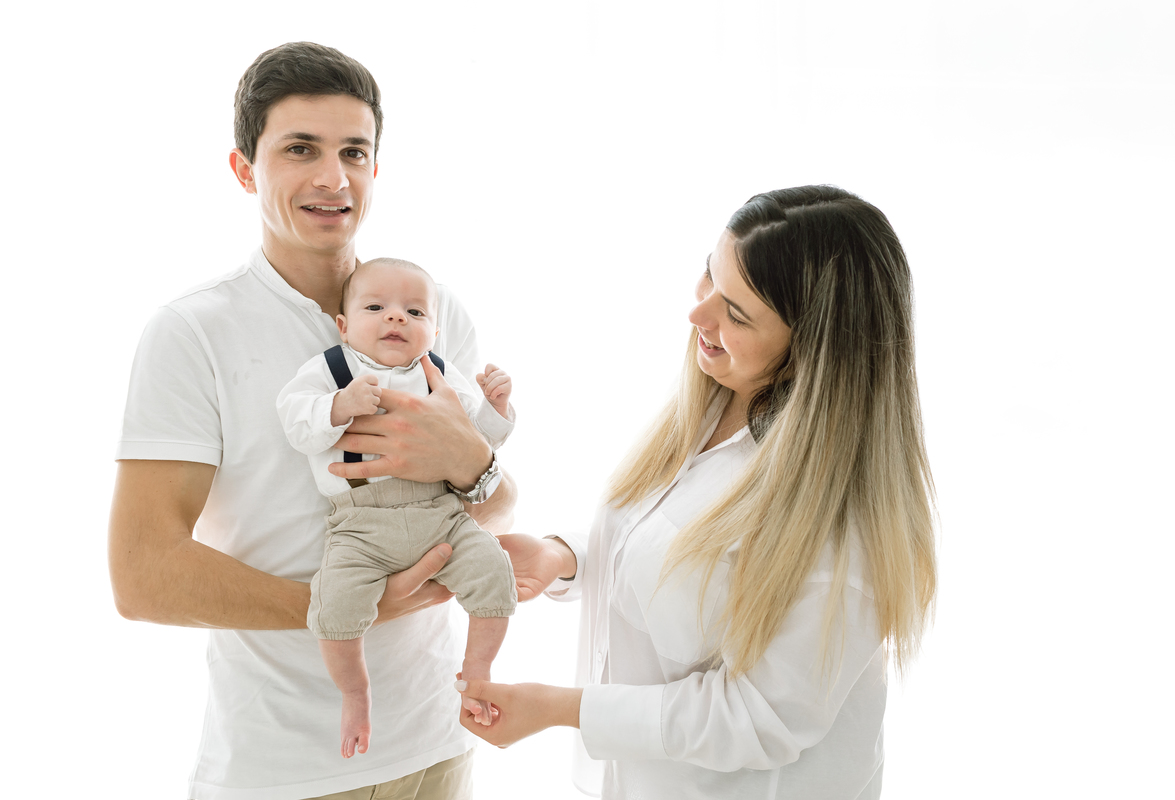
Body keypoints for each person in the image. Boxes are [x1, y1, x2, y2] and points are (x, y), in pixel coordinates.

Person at [108, 42, 515, 800]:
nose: (334, 178)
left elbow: (489, 504)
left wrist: (472, 464)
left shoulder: (429, 309)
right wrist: (345, 610)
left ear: (375, 168)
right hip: (282, 770)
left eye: (353, 152)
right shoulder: (194, 330)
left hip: (436, 741)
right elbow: (142, 575)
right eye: (301, 149)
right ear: (244, 169)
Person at [458, 186, 938, 799]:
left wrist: (561, 708)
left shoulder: (843, 525)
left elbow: (760, 718)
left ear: (814, 347)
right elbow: (690, 558)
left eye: (737, 313)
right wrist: (568, 559)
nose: (698, 316)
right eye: (707, 278)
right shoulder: (721, 402)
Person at [277, 257, 517, 759]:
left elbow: (480, 440)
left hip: (441, 514)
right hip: (360, 524)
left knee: (495, 570)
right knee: (335, 604)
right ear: (343, 326)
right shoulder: (332, 369)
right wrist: (338, 406)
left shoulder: (441, 374)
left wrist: (496, 411)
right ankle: (355, 694)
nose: (395, 319)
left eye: (414, 311)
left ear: (433, 328)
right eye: (376, 307)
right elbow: (295, 417)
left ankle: (477, 670)